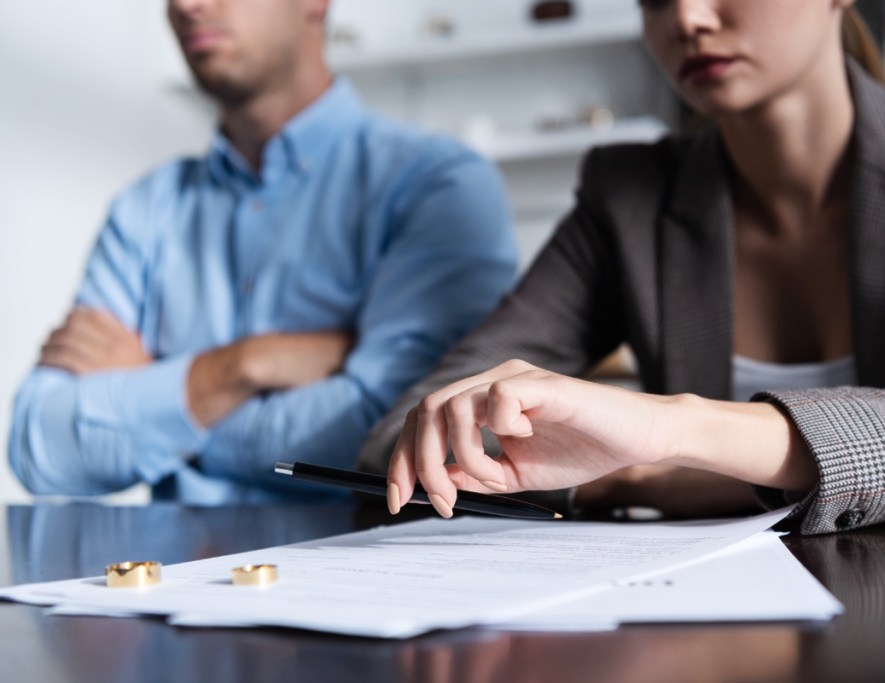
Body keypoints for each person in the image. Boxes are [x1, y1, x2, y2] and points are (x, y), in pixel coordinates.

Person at [359, 0, 885, 534]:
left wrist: (665, 431)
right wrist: (631, 474)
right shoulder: (627, 197)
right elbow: (414, 432)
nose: (687, 18)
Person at [8, 0, 518, 503]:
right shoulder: (144, 208)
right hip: (166, 577)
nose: (187, 5)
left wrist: (158, 401)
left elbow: (404, 436)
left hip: (363, 569)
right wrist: (243, 365)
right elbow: (40, 446)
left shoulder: (437, 185)